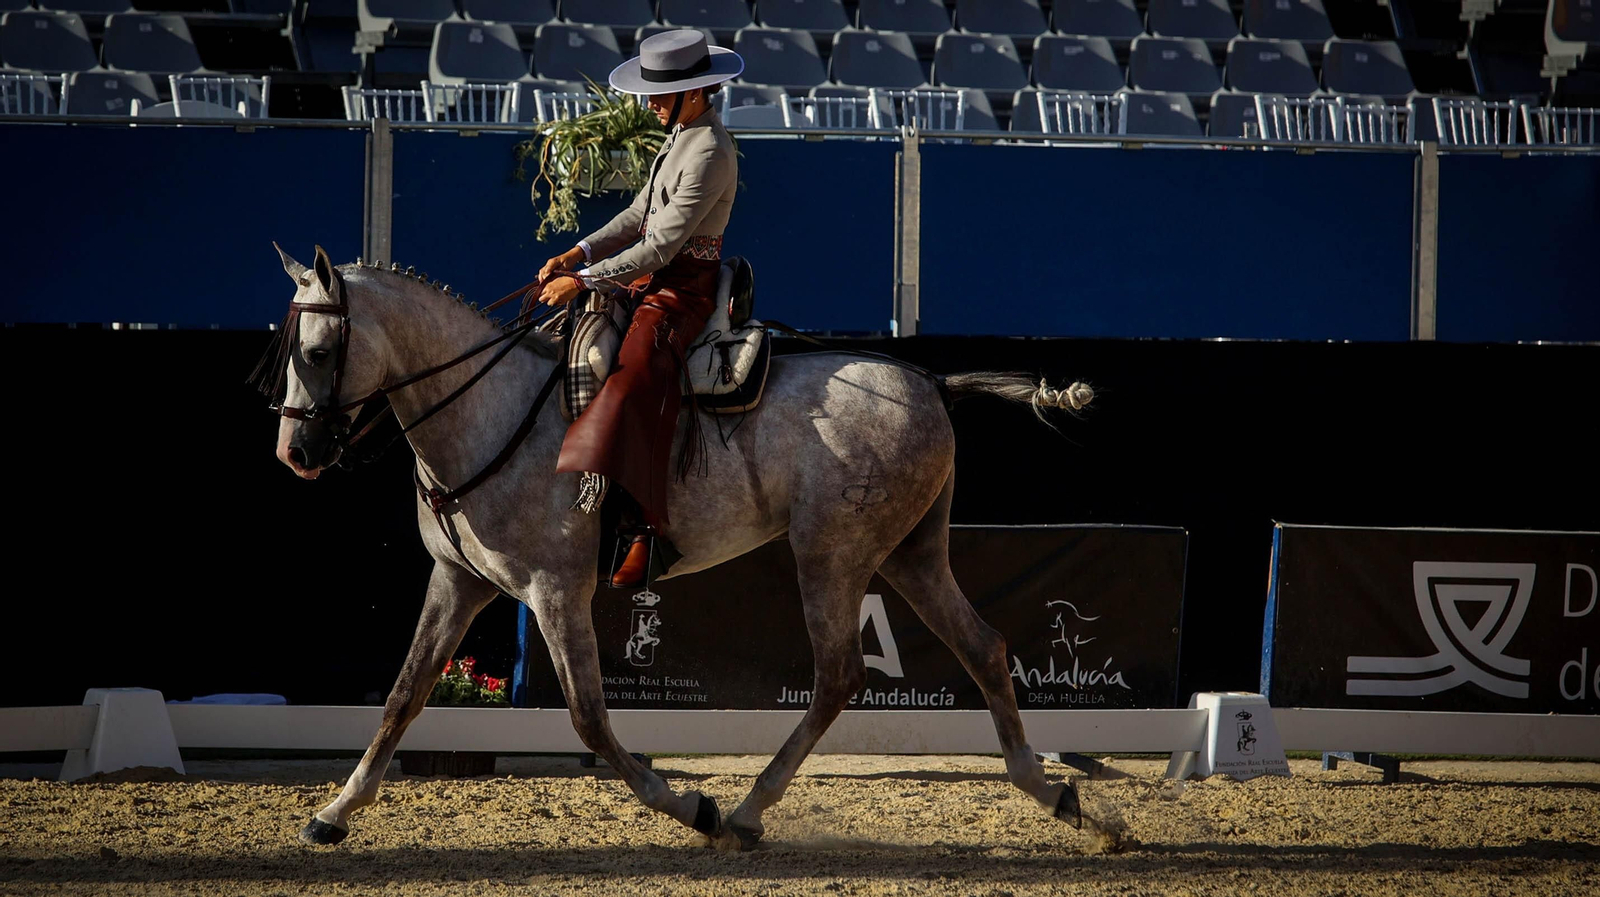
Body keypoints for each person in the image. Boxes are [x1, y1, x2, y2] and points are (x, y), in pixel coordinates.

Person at [535, 29, 743, 587]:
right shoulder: (679, 135)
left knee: (630, 385)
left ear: (694, 93)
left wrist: (583, 281)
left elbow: (661, 247)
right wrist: (578, 252)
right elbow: (636, 216)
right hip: (644, 279)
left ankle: (643, 530)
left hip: (681, 291)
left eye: (659, 94)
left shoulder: (711, 150)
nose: (649, 103)